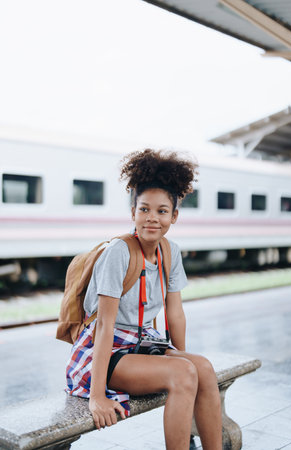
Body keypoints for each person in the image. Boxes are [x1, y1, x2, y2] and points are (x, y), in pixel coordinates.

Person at [66, 149, 222, 450]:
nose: (152, 218)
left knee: (202, 368)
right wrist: (97, 396)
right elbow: (104, 326)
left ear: (174, 216)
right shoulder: (118, 253)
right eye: (144, 209)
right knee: (184, 374)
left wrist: (182, 358)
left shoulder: (170, 252)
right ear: (133, 213)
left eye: (162, 211)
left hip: (141, 344)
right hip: (103, 354)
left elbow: (175, 313)